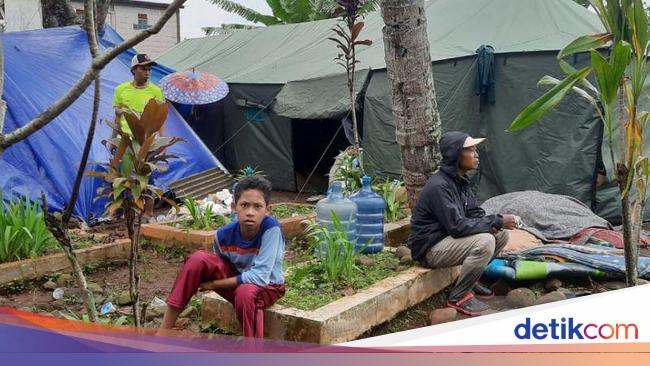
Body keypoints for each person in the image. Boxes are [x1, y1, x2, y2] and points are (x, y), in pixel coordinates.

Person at [160, 176, 285, 338]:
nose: (250, 212)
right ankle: (162, 332)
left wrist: (213, 284)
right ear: (234, 207)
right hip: (239, 283)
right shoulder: (223, 235)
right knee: (198, 259)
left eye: (257, 206)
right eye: (244, 205)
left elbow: (260, 277)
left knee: (245, 292)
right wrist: (208, 277)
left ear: (268, 210)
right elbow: (221, 266)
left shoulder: (271, 229)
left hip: (268, 288)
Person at [408, 131, 516, 316]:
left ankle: (471, 282)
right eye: (471, 150)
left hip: (447, 239)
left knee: (501, 233)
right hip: (429, 248)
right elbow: (457, 227)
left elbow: (474, 213)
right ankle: (458, 296)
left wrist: (494, 223)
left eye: (476, 149)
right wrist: (496, 220)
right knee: (485, 242)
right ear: (456, 154)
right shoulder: (439, 186)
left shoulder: (460, 181)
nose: (476, 154)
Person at [112, 53, 165, 139]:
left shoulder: (156, 91)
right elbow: (117, 118)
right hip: (124, 140)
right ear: (133, 70)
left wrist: (163, 142)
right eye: (143, 69)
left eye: (149, 69)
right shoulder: (120, 89)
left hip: (145, 142)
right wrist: (112, 140)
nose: (147, 73)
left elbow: (160, 120)